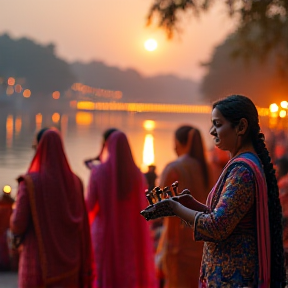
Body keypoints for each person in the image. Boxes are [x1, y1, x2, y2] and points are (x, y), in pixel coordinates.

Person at [144, 95, 286, 287]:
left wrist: (175, 207)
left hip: (235, 277)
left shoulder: (242, 171)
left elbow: (217, 227)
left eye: (218, 124)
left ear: (241, 127)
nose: (211, 131)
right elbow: (229, 219)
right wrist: (193, 206)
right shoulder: (242, 164)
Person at [10, 127, 94, 288]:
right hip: (71, 267)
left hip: (38, 266)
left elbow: (18, 224)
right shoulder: (76, 182)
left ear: (39, 149)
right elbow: (82, 226)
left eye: (35, 148)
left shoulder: (30, 183)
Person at [86, 129, 157, 288]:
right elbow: (142, 206)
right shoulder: (138, 175)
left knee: (104, 272)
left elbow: (89, 204)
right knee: (127, 273)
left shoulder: (98, 172)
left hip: (104, 232)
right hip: (130, 233)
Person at [156, 125, 211, 288]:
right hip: (204, 246)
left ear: (180, 143)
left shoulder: (174, 169)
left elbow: (167, 215)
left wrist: (168, 249)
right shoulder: (210, 169)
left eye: (174, 142)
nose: (173, 147)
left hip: (178, 248)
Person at [0, 186, 15, 271]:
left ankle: (6, 264)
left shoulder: (9, 203)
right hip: (4, 229)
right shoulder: (4, 203)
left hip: (7, 229)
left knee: (6, 247)